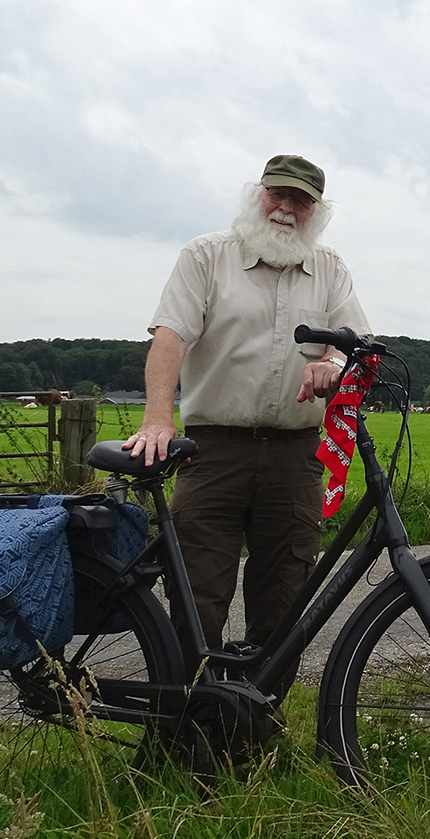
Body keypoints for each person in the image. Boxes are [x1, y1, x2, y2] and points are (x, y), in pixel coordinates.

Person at [123, 154, 371, 650]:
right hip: (213, 452)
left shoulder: (330, 268)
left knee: (286, 593)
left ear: (317, 212)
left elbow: (353, 342)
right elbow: (170, 336)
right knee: (197, 590)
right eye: (276, 194)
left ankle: (258, 714)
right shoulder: (206, 256)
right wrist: (157, 419)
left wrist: (334, 364)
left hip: (295, 456)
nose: (285, 208)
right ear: (257, 196)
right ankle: (185, 717)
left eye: (300, 200)